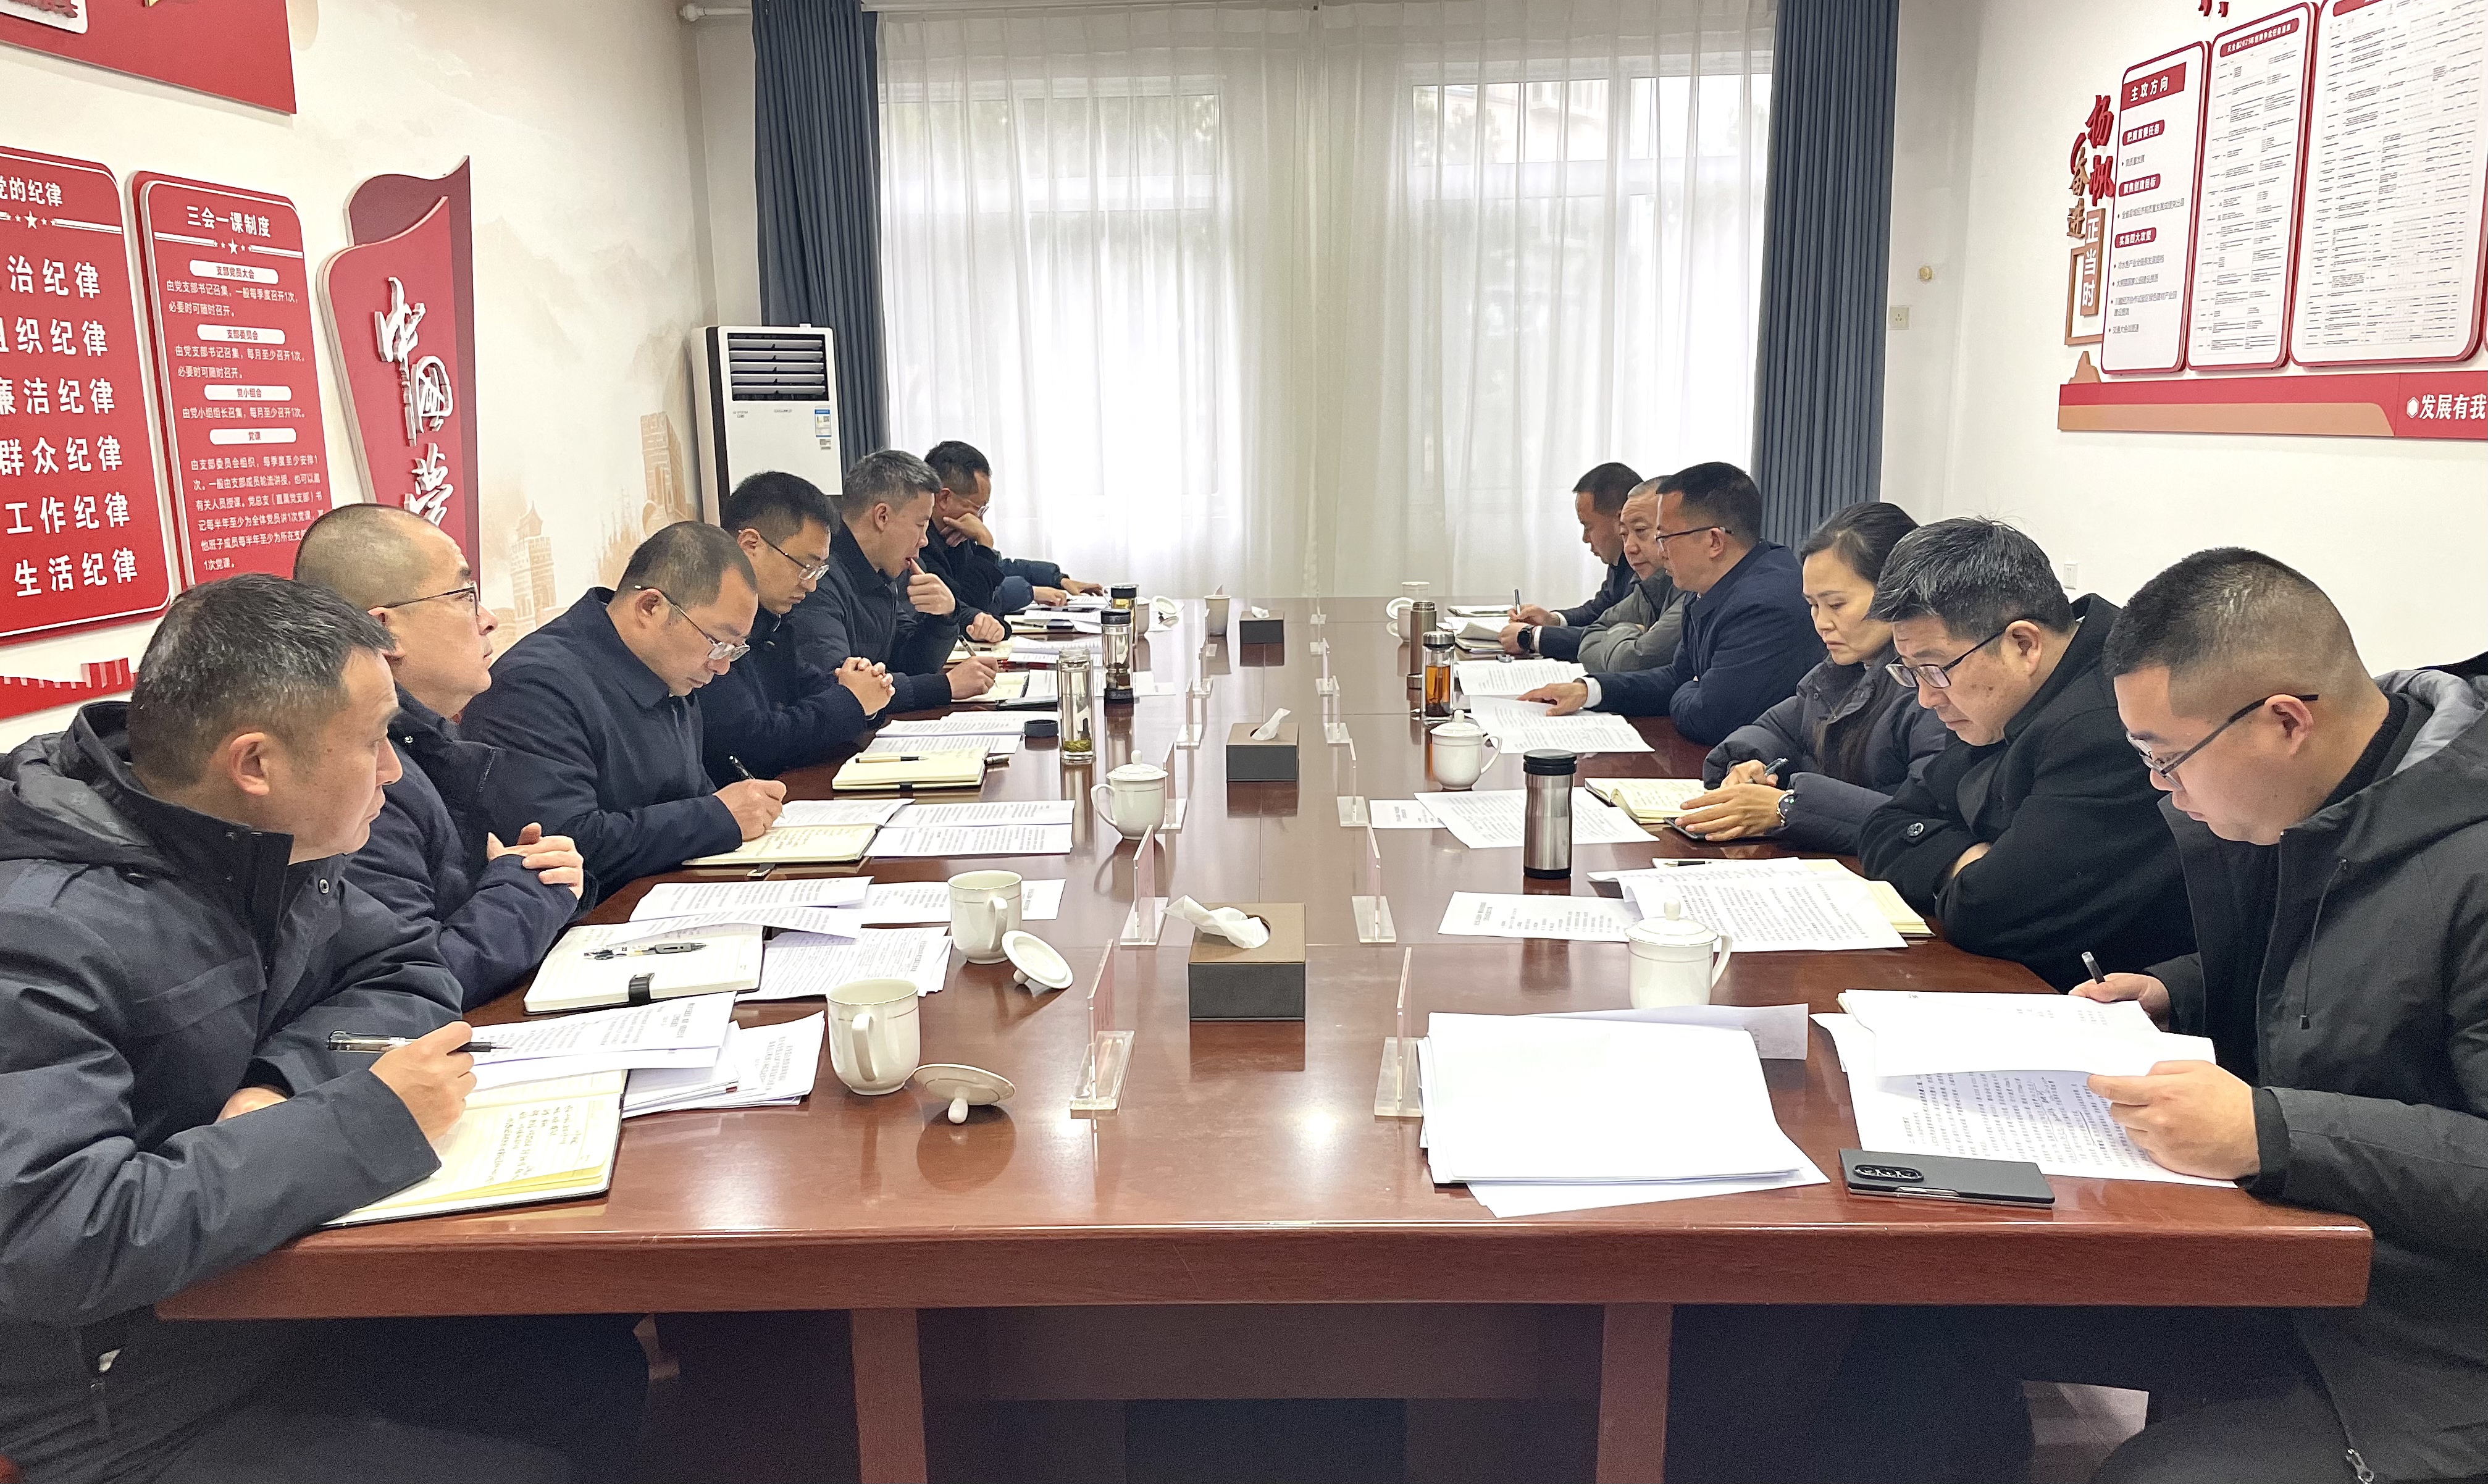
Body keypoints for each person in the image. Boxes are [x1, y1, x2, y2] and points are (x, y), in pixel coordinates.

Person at [1809, 549, 2488, 1484]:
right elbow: (2352, 971)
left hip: (2423, 1338)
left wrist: (2272, 1128)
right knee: (1924, 1296)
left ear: (2285, 720)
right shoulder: (2314, 799)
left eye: (2166, 758)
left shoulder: (2463, 861)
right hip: (2298, 1257)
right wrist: (2180, 987)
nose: (2161, 788)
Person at [0, 574, 643, 1483]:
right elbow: (58, 1232)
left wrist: (279, 1085)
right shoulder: (40, 929)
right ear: (256, 763)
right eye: (376, 740)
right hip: (129, 1406)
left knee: (586, 1367)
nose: (394, 772)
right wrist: (361, 1120)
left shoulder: (262, 846)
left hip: (276, 1303)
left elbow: (405, 968)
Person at [1853, 517, 2191, 989]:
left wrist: (1963, 868)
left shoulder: (2106, 723)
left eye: (1932, 669)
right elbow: (1886, 823)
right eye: (1910, 672)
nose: (1926, 698)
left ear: (2023, 644)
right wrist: (1968, 860)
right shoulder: (1998, 693)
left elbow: (1988, 914)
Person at [293, 504, 585, 1008]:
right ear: (384, 631)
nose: (488, 619)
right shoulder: (359, 777)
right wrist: (527, 890)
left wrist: (538, 869)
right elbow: (411, 984)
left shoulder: (429, 743)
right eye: (464, 597)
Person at [461, 521, 786, 899]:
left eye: (734, 649)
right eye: (717, 643)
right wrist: (716, 817)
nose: (723, 666)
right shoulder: (534, 686)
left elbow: (690, 794)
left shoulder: (670, 671)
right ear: (650, 606)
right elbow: (563, 847)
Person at [1677, 501, 1951, 851]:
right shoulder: (1838, 672)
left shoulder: (1933, 688)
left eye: (1836, 605)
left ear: (1897, 595)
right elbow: (1775, 729)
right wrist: (1748, 764)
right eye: (1813, 605)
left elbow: (1924, 820)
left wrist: (1787, 807)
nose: (1822, 623)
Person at [1518, 461, 1822, 745]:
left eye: (1664, 538)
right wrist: (1589, 690)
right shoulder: (1705, 583)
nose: (1660, 552)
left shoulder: (1764, 605)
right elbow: (1677, 676)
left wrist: (1688, 687)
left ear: (1714, 541)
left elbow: (1709, 719)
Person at [700, 469, 898, 784]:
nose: (811, 585)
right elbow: (754, 742)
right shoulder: (706, 626)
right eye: (806, 567)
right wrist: (852, 702)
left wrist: (862, 690)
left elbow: (810, 687)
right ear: (750, 545)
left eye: (819, 571)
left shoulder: (771, 622)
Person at [786, 448, 999, 713]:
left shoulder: (882, 573)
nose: (925, 540)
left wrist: (944, 618)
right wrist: (946, 686)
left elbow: (911, 664)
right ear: (882, 516)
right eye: (921, 525)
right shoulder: (819, 580)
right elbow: (841, 690)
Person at [923, 439, 1103, 618]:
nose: (980, 520)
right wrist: (985, 542)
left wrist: (1057, 579)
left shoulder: (957, 535)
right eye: (978, 509)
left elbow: (999, 568)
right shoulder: (921, 546)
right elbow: (972, 606)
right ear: (944, 498)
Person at [1501, 459, 1641, 660]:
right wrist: (1552, 620)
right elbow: (1599, 612)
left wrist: (1533, 637)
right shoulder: (1621, 561)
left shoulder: (1646, 566)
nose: (1585, 538)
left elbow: (1612, 636)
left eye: (1588, 527)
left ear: (1621, 520)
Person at [1570, 482, 1687, 674]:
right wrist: (1632, 634)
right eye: (1624, 535)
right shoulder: (1650, 586)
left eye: (1640, 531)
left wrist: (1622, 632)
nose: (1629, 548)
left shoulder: (1692, 592)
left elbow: (1634, 660)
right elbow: (1589, 640)